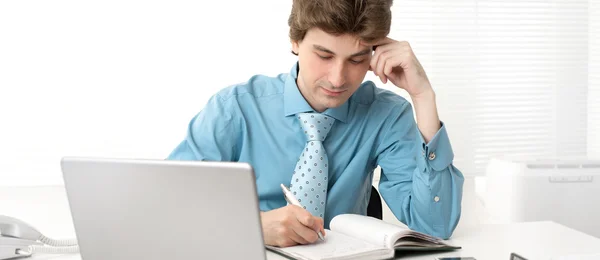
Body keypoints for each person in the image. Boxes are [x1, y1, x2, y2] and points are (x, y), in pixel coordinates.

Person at [167, 0, 464, 247]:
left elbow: (434, 225)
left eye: (357, 60)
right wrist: (251, 227)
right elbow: (167, 207)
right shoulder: (235, 109)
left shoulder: (386, 115)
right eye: (324, 55)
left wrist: (423, 96)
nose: (338, 78)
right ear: (296, 41)